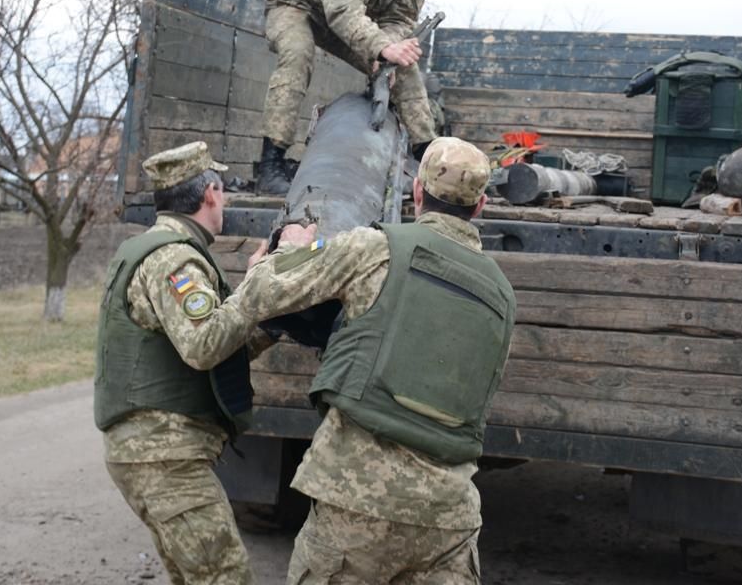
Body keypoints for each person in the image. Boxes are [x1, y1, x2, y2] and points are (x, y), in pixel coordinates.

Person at [217, 136, 517, 583]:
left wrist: (287, 248)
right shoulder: (502, 295)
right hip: (449, 519)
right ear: (481, 205)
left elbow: (263, 295)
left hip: (354, 505)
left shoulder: (375, 248)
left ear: (417, 191)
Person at [93, 141, 273, 585]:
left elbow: (215, 343)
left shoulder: (155, 247)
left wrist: (269, 319)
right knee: (225, 578)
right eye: (224, 190)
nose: (226, 200)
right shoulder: (174, 258)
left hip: (154, 453)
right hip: (165, 457)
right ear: (210, 192)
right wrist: (257, 287)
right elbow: (204, 345)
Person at [256, 0, 439, 195]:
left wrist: (392, 50)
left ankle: (432, 162)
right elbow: (342, 10)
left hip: (353, 24)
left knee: (404, 66)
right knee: (297, 54)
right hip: (298, 6)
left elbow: (401, 19)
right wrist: (382, 46)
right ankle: (271, 163)